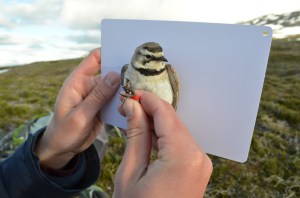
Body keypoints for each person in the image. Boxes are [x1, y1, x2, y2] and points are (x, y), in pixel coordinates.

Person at [0, 48, 213, 197]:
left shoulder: (167, 72)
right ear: (138, 58)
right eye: (149, 57)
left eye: (159, 57)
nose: (158, 61)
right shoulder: (128, 70)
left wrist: (52, 149)